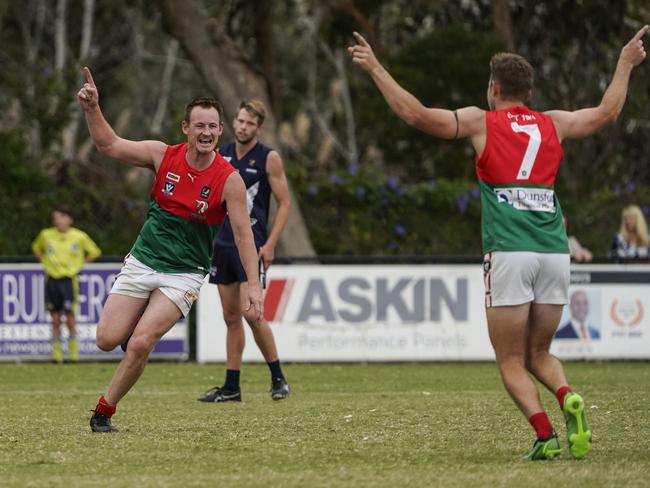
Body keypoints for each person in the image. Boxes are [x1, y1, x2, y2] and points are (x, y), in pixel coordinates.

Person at [349, 25, 648, 460]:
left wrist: (375, 67)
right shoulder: (553, 123)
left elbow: (416, 114)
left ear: (494, 88)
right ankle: (567, 397)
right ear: (527, 91)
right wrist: (625, 62)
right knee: (539, 352)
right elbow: (606, 112)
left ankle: (545, 436)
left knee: (510, 360)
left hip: (509, 253)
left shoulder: (480, 121)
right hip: (553, 253)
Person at [76, 67, 263, 433]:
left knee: (142, 342)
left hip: (184, 273)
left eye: (213, 126)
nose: (207, 132)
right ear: (186, 128)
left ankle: (103, 412)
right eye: (200, 126)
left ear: (220, 131)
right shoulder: (163, 156)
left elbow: (244, 237)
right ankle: (135, 339)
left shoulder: (230, 181)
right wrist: (92, 108)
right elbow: (109, 145)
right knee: (105, 340)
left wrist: (254, 286)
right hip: (144, 260)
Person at [198, 100, 291, 402]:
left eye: (249, 123)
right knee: (230, 316)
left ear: (258, 127)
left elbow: (284, 203)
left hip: (252, 246)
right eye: (239, 121)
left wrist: (271, 242)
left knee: (253, 314)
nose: (242, 127)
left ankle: (278, 377)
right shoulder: (219, 153)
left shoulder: (268, 158)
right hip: (222, 245)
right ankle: (232, 386)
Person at [32, 207, 102, 363]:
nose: (58, 221)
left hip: (69, 280)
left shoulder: (79, 236)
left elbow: (95, 252)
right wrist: (44, 261)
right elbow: (36, 248)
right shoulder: (46, 235)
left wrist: (79, 264)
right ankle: (57, 355)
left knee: (70, 317)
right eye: (55, 218)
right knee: (55, 318)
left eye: (61, 217)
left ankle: (73, 355)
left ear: (69, 219)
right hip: (52, 279)